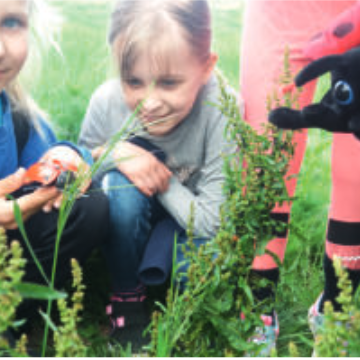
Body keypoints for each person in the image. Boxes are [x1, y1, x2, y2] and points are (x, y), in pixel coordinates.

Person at [78, 0, 236, 349]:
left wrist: (155, 174)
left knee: (190, 269)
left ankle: (171, 289)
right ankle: (127, 297)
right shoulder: (106, 103)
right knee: (120, 184)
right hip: (127, 223)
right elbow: (81, 178)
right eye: (133, 81)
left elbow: (211, 222)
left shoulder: (222, 109)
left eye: (168, 82)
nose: (149, 103)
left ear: (206, 67)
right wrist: (114, 153)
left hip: (190, 229)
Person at [240, 0, 359, 355]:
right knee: (266, 152)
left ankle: (336, 309)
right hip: (282, 10)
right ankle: (258, 310)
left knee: (357, 172)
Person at [0, 0, 109, 340]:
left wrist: (69, 155)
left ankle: (15, 317)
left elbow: (51, 158)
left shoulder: (14, 114)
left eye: (12, 23)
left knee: (87, 206)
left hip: (9, 253)